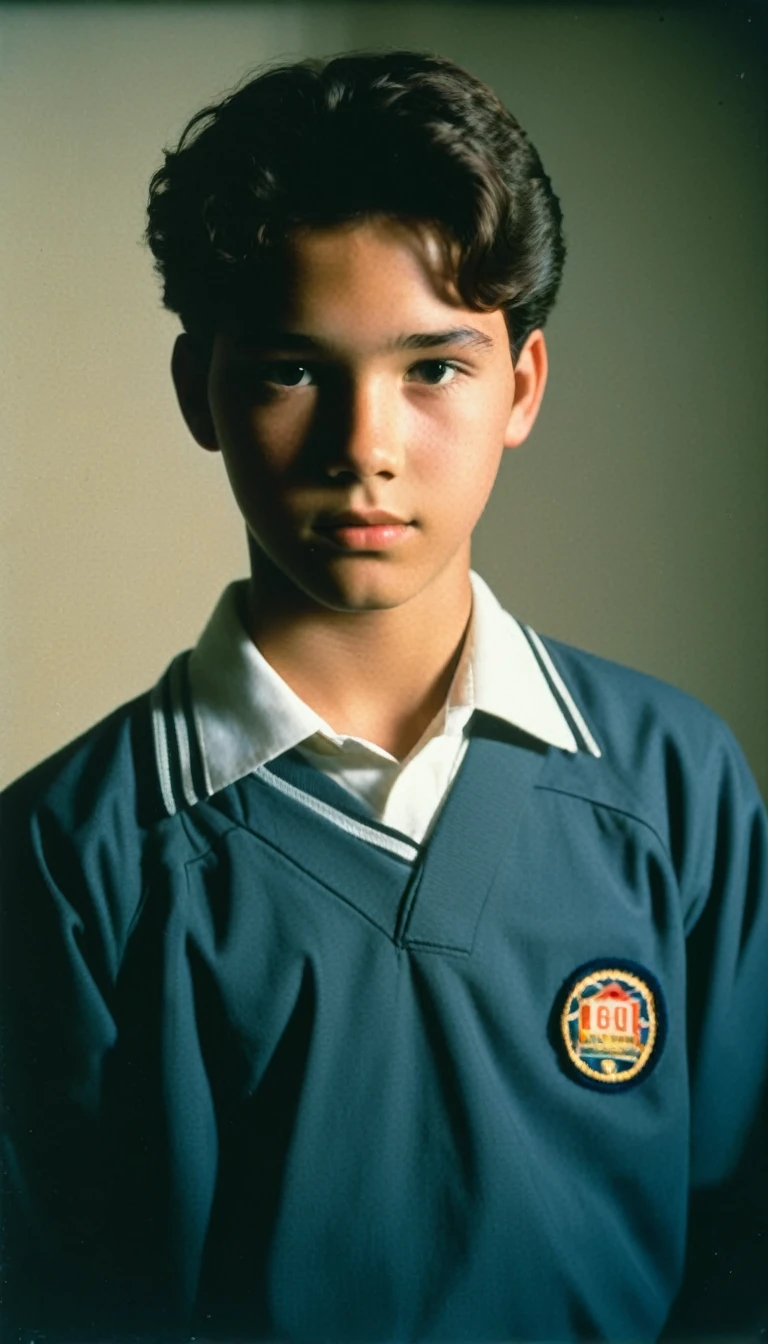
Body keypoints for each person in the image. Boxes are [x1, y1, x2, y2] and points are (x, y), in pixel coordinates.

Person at [1, 49, 766, 1344]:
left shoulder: (675, 785)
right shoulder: (70, 859)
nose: (367, 445)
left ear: (521, 386)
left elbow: (742, 1260)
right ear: (203, 389)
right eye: (296, 368)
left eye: (435, 369)